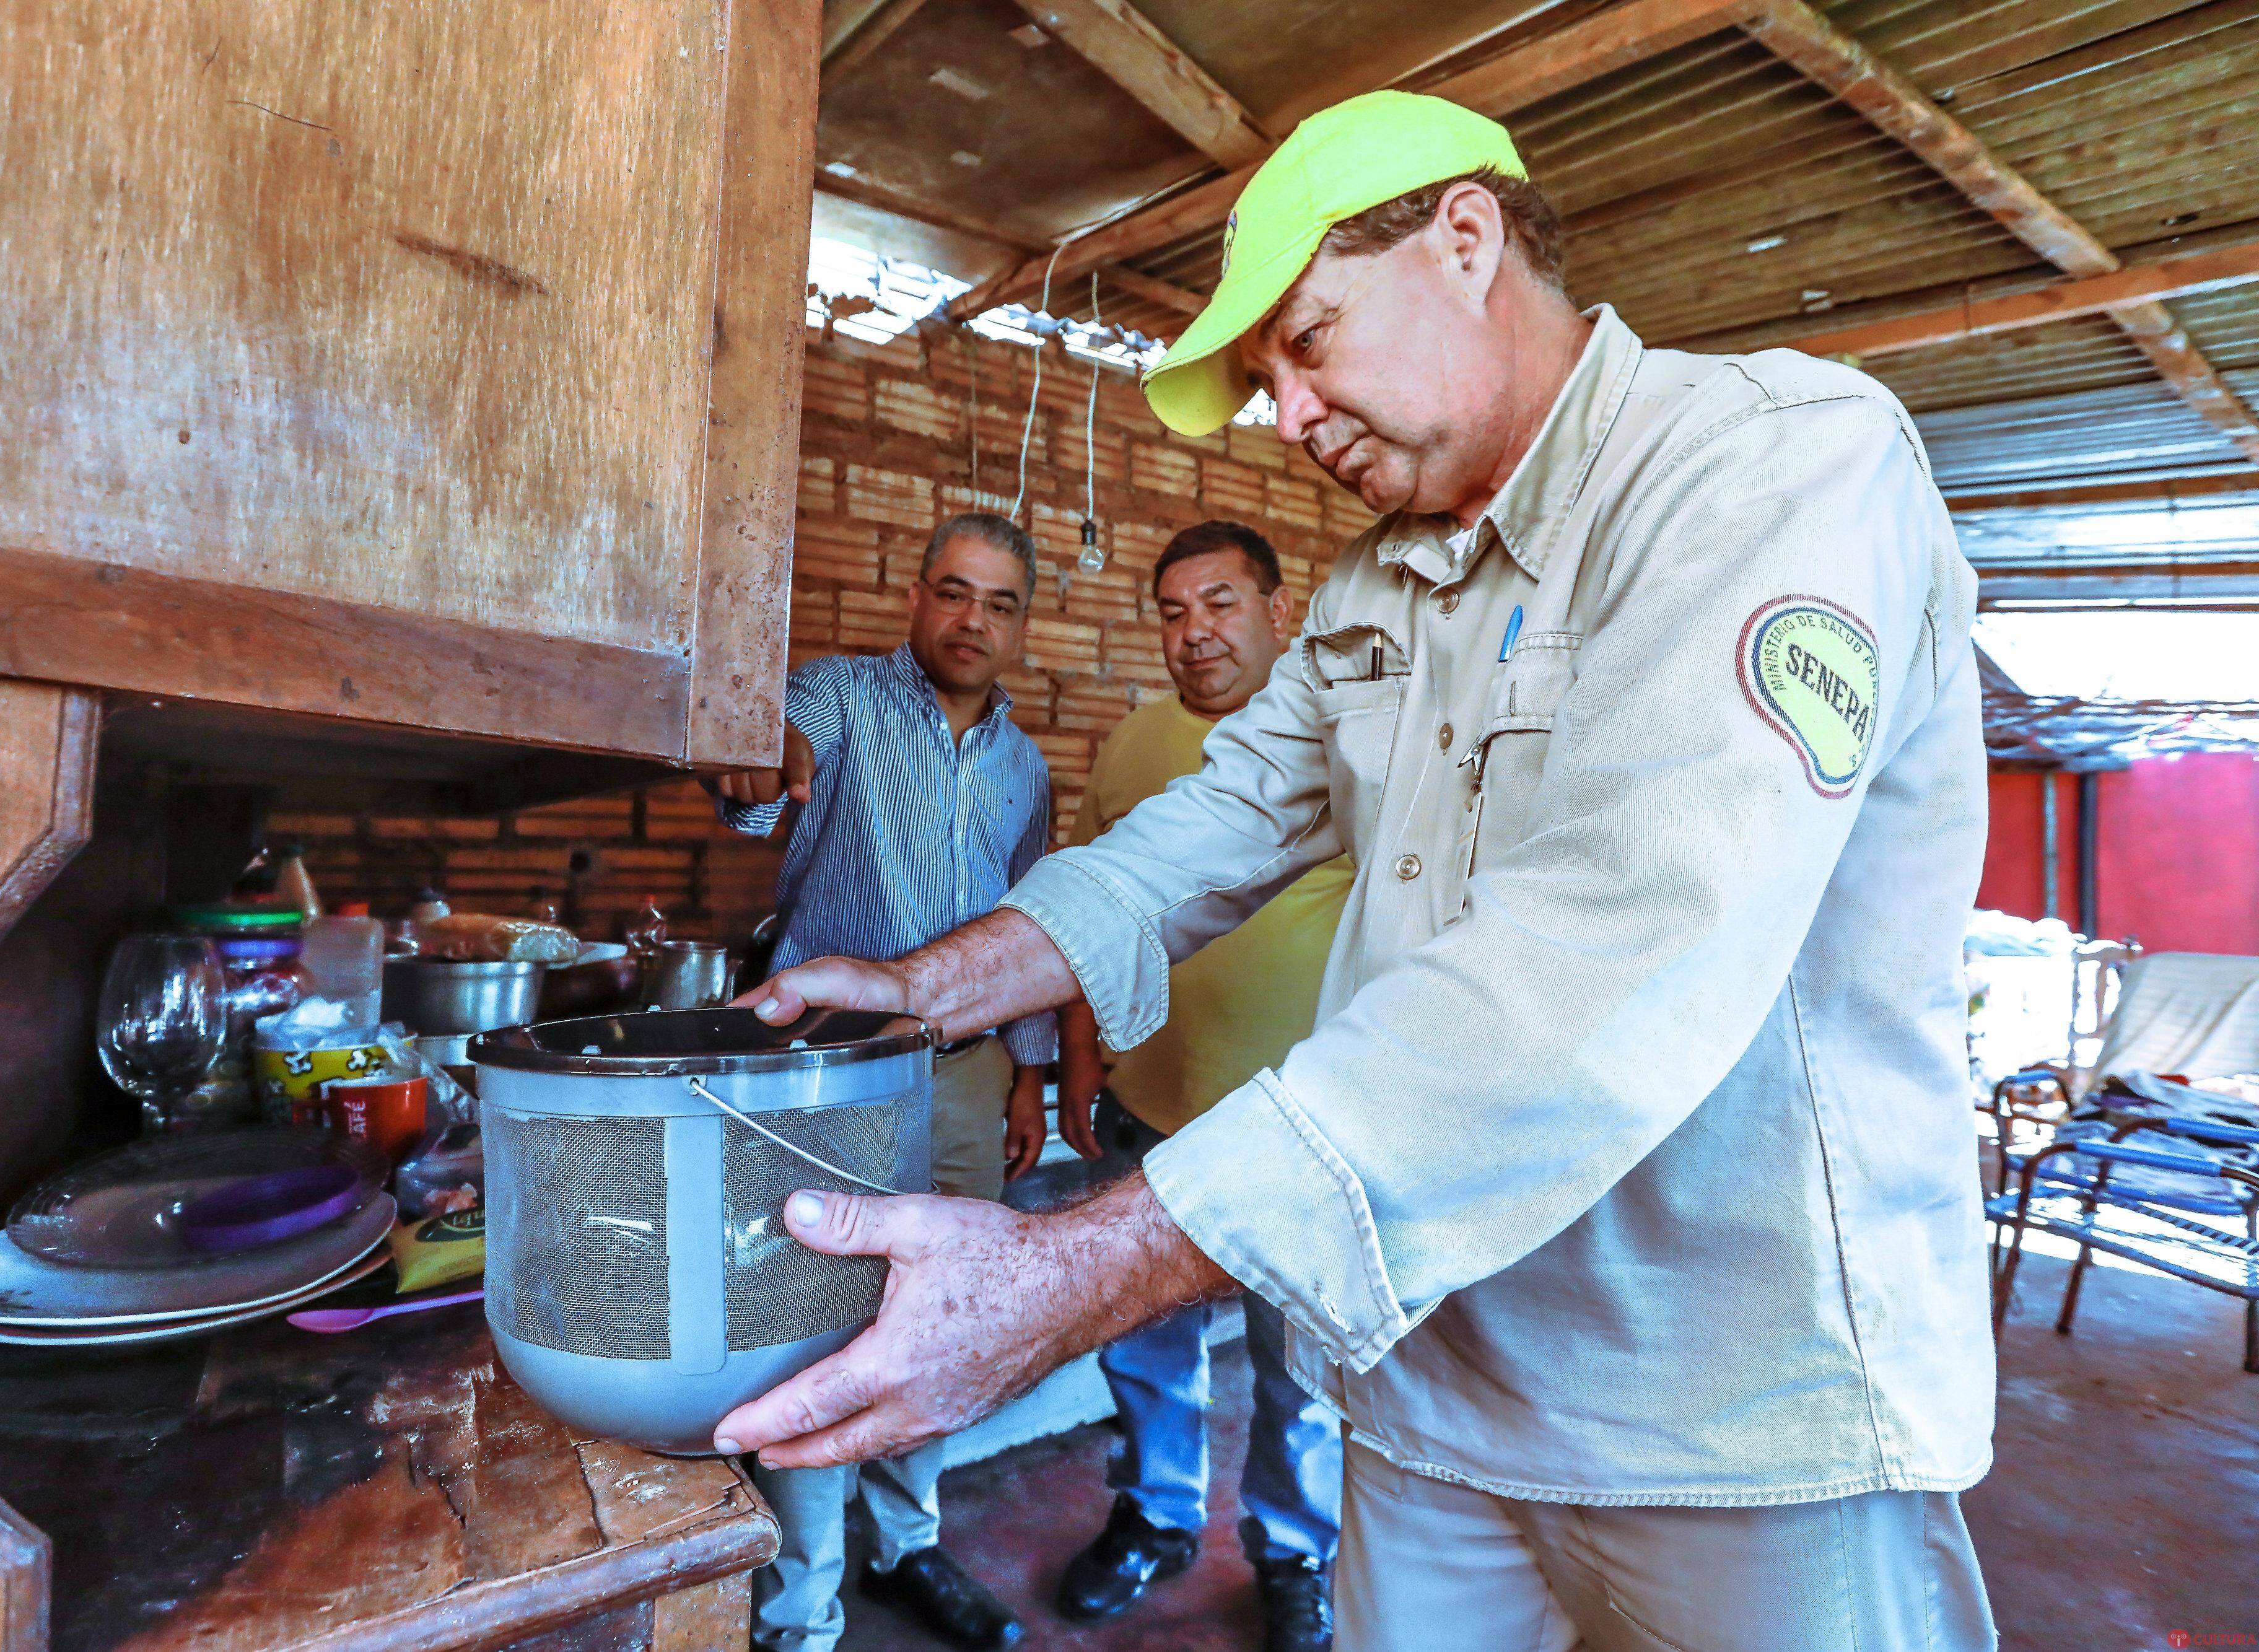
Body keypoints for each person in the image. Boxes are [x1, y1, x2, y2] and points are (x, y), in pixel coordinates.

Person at [717, 89, 2000, 1652]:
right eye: (1266, 384)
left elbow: (1611, 952)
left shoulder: (1766, 469)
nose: (1293, 415)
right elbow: (1205, 828)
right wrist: (924, 984)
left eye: (1307, 342)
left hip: (1729, 1414)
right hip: (1433, 1375)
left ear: (1464, 240)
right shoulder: (1372, 585)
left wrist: (1074, 1269)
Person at [705, 510, 1051, 1652]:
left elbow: (1033, 927)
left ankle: (908, 1543)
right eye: (954, 591)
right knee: (816, 1323)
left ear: (1021, 624)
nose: (973, 619)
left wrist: (1029, 1078)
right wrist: (762, 758)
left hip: (965, 1076)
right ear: (917, 596)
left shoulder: (1026, 766)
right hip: (831, 1078)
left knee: (943, 1308)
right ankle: (801, 1608)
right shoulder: (839, 699)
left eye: (1000, 602)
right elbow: (767, 766)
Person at [1052, 520, 1348, 1651]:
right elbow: (1085, 912)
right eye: (1174, 612)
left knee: (1299, 1370)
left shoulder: (1349, 745)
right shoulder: (1133, 746)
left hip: (1301, 1130)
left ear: (1281, 611)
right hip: (1152, 1114)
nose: (1196, 634)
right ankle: (1158, 1516)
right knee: (1145, 1341)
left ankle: (1293, 1550)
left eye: (1221, 604)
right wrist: (1080, 1056)